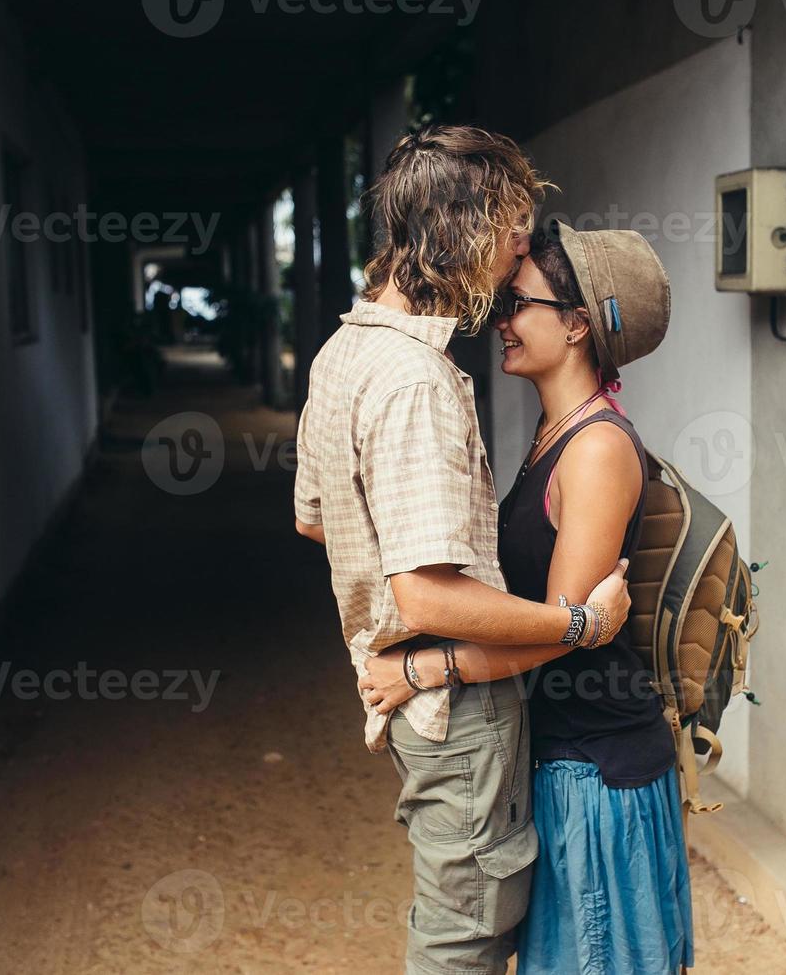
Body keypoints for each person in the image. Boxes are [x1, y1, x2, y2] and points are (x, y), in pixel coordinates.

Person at [292, 126, 632, 975]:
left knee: (457, 914)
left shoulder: (343, 351)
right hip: (460, 712)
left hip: (417, 700)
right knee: (465, 938)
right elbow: (428, 599)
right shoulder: (415, 381)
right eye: (513, 228)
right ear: (466, 236)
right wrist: (579, 621)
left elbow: (315, 518)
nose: (522, 249)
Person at [362, 222, 695, 975]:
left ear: (577, 324)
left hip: (594, 772)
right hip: (558, 763)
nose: (500, 321)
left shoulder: (600, 449)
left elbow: (563, 631)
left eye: (518, 304)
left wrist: (425, 670)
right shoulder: (555, 432)